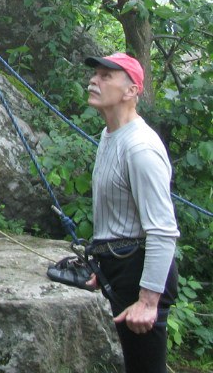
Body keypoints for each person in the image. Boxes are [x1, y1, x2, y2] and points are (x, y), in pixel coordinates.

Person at [83, 52, 180, 373]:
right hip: (122, 267)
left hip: (142, 272)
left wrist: (148, 300)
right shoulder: (109, 135)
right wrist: (106, 264)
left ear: (131, 91)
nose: (93, 81)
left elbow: (163, 230)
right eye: (95, 74)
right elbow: (119, 215)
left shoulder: (140, 148)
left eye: (105, 76)